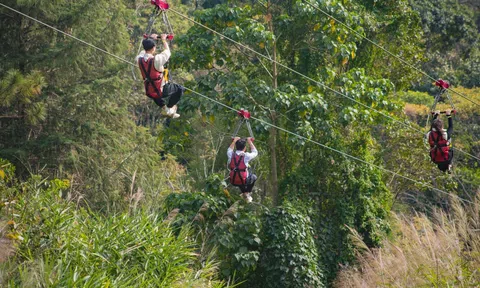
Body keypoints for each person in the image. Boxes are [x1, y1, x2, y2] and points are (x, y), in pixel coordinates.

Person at [136, 33, 184, 118]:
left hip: (149, 91)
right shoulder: (156, 60)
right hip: (161, 90)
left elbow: (144, 52)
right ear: (154, 48)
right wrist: (163, 40)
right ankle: (170, 108)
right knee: (179, 89)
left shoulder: (139, 59)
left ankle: (165, 109)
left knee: (155, 93)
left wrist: (151, 38)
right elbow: (167, 52)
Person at [227, 137, 258, 202]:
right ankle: (247, 192)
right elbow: (255, 152)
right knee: (254, 177)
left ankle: (244, 193)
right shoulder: (246, 156)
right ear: (244, 148)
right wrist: (249, 141)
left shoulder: (231, 155)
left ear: (236, 147)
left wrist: (234, 141)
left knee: (241, 176)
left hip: (233, 181)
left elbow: (230, 149)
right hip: (243, 181)